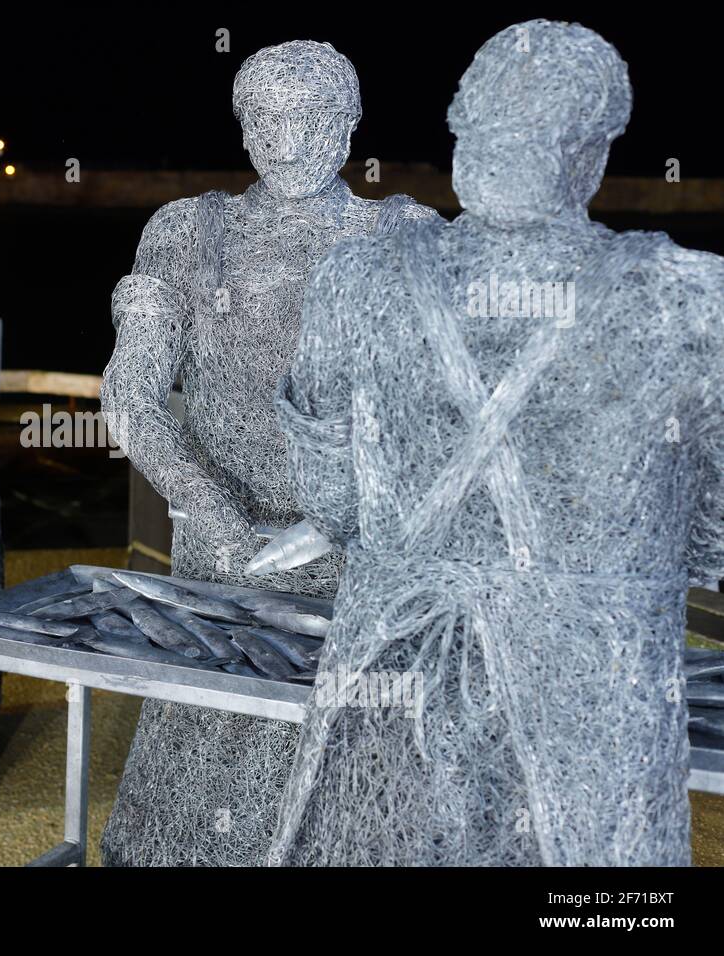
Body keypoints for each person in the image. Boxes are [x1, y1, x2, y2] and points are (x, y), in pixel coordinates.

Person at [259, 20, 722, 865]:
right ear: (588, 153)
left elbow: (332, 498)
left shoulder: (358, 280)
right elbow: (715, 532)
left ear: (463, 134)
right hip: (589, 680)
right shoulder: (688, 302)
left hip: (395, 656)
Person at [99, 41, 435, 866]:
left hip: (367, 563)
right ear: (244, 128)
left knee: (360, 777)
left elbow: (445, 414)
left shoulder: (406, 235)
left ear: (350, 125)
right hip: (227, 556)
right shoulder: (189, 233)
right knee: (210, 766)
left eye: (311, 117)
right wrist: (212, 510)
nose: (287, 141)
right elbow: (131, 396)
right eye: (266, 120)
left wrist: (350, 514)